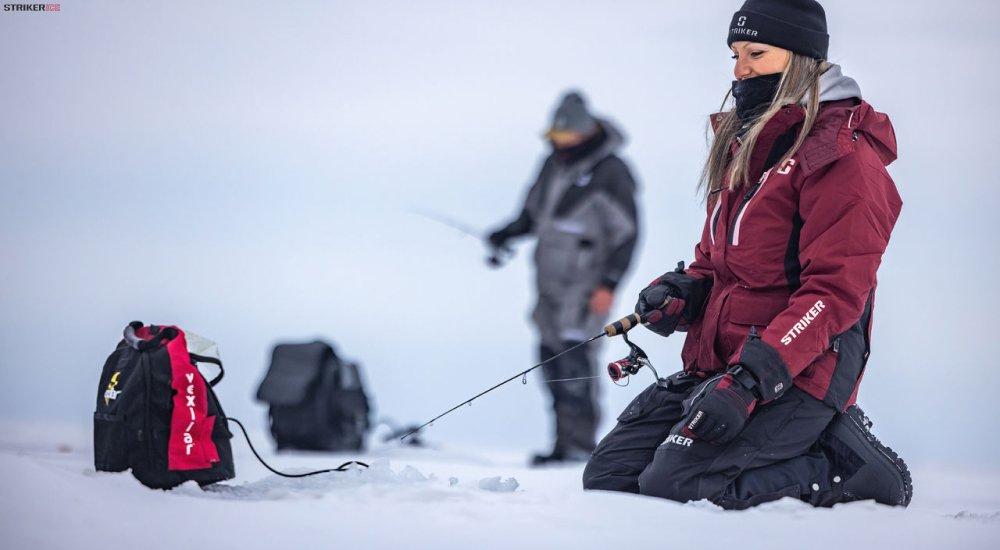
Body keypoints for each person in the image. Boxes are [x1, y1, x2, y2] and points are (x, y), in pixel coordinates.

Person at [582, 0, 911, 508]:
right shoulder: (748, 142)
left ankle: (851, 471)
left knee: (677, 487)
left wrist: (752, 379)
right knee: (610, 480)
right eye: (735, 54)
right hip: (721, 367)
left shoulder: (842, 157)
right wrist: (682, 293)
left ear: (801, 57)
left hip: (799, 371)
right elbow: (719, 264)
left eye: (755, 53)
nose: (739, 71)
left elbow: (836, 291)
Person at [488, 91, 639, 466]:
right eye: (556, 137)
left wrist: (609, 284)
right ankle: (562, 443)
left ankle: (580, 446)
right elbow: (532, 216)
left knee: (575, 361)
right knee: (550, 360)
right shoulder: (551, 165)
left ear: (584, 132)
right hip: (548, 285)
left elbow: (627, 235)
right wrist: (504, 233)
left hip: (585, 287)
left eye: (566, 136)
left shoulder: (611, 171)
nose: (560, 143)